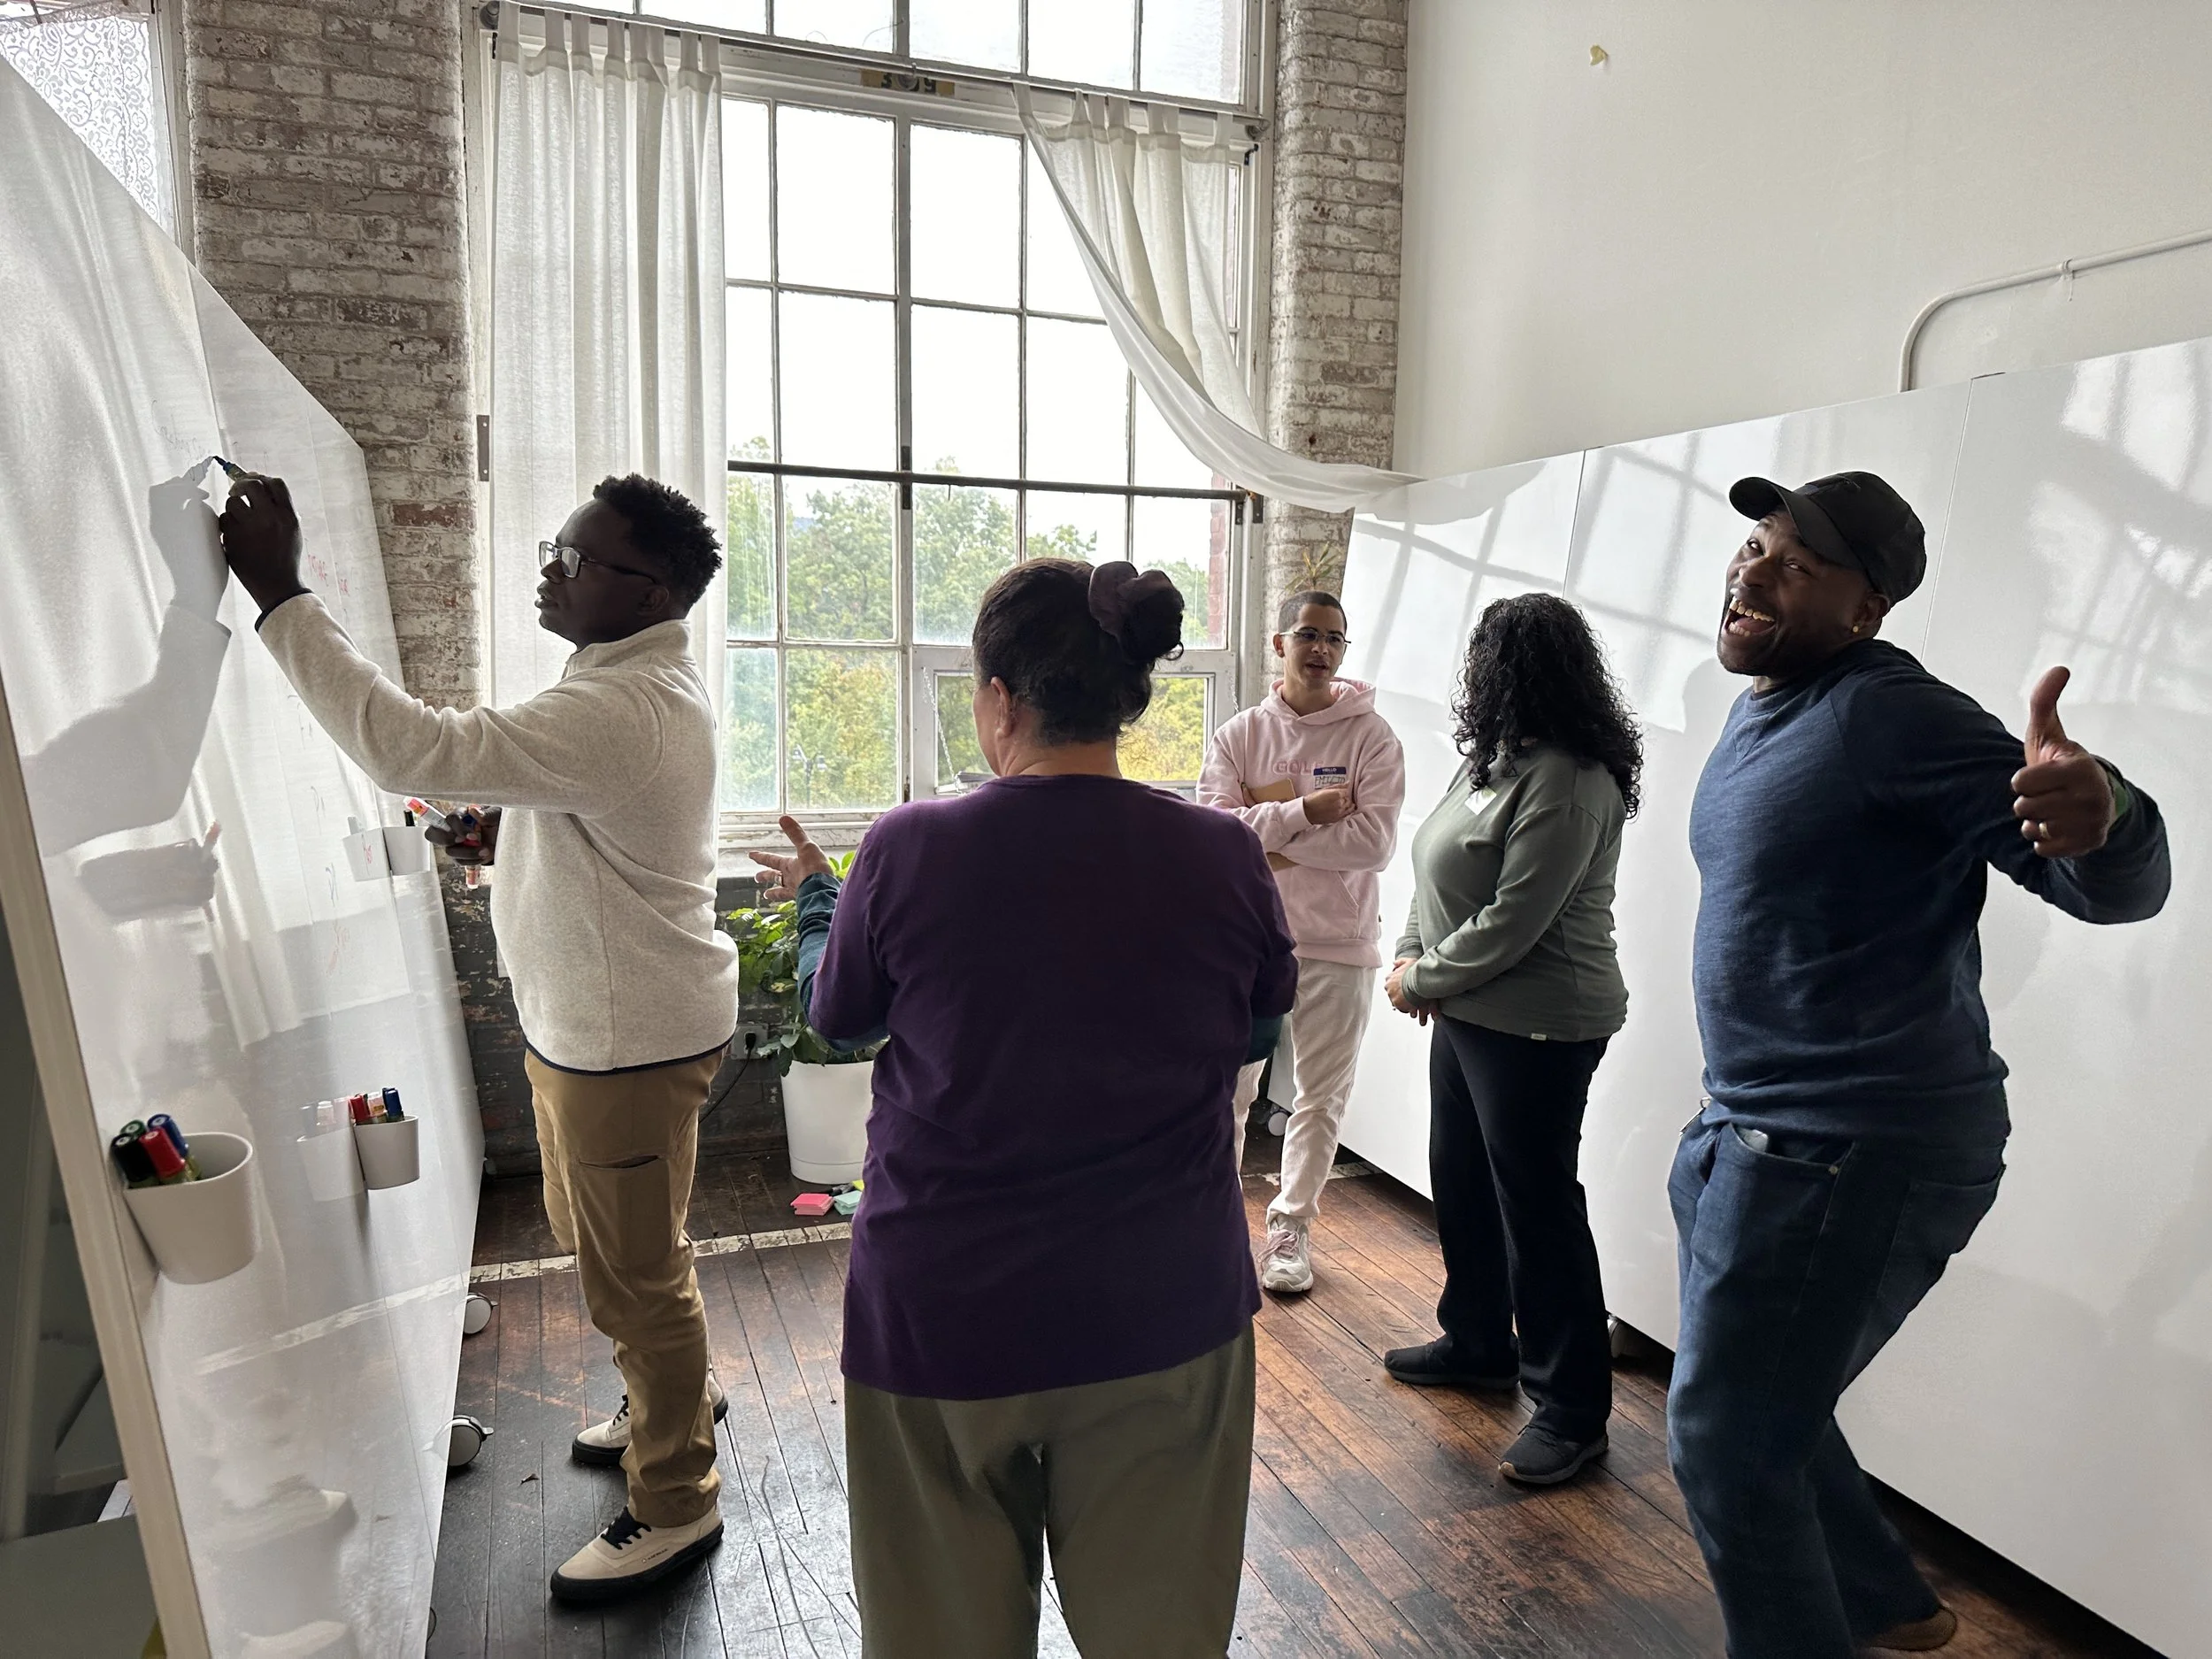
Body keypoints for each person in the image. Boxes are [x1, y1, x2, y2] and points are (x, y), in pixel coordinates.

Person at [749, 559, 1297, 1659]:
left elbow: (840, 1019)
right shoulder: (1223, 851)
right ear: (1128, 699)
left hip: (945, 1314)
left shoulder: (908, 847)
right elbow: (1249, 1031)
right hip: (1165, 1306)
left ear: (997, 698)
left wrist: (820, 894)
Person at [216, 472, 740, 1604]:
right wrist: (510, 831)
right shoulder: (618, 679)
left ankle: (678, 1498)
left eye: (574, 554)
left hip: (623, 1042)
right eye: (557, 543)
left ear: (645, 588)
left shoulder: (620, 704)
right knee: (615, 1253)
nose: (549, 566)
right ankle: (673, 1403)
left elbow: (409, 747)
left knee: (637, 1279)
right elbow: (594, 818)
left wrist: (280, 595)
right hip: (603, 1031)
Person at [1672, 471, 2170, 1658]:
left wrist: (2113, 817)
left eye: (1796, 562)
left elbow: (2099, 884)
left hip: (1852, 1146)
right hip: (1750, 1129)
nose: (1753, 571)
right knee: (1764, 1410)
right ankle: (1894, 1603)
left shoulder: (1886, 711)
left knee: (1732, 1444)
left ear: (1867, 606)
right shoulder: (1770, 702)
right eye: (1756, 543)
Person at [1380, 593, 1640, 1488]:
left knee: (1537, 1208)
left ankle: (1572, 1410)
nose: (1477, 676)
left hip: (1538, 1021)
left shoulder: (1569, 779)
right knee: (1460, 1180)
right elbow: (1430, 866)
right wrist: (1414, 952)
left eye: (1489, 660)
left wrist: (1423, 978)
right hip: (1469, 1015)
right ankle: (1478, 1341)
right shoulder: (1491, 761)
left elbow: (1515, 919)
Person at [1199, 589, 1404, 1293]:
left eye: (1335, 639)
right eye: (1309, 634)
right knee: (1229, 1089)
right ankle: (1217, 1222)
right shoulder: (1239, 734)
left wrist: (1272, 832)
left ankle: (1291, 1225)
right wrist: (1308, 811)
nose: (1321, 649)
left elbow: (1373, 843)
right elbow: (1218, 838)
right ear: (1280, 643)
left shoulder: (1372, 738)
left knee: (1320, 1097)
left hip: (1339, 944)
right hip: (1248, 943)